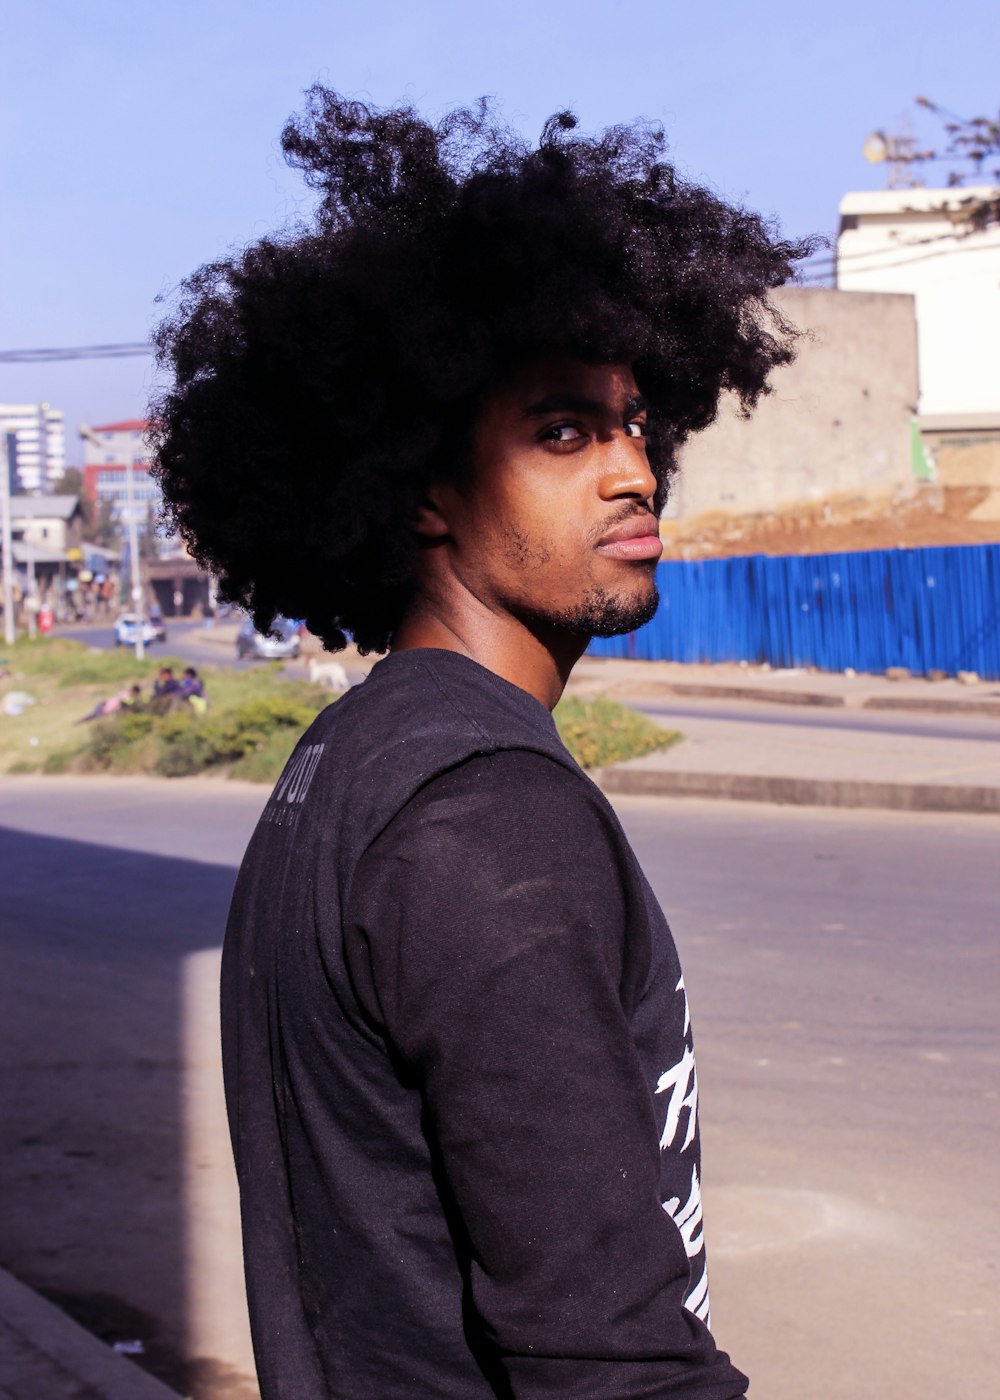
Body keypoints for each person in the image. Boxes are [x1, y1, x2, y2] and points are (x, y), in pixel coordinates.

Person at [151, 89, 810, 1399]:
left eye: (635, 425)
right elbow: (609, 1360)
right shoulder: (486, 819)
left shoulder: (359, 759)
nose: (633, 471)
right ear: (422, 488)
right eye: (563, 432)